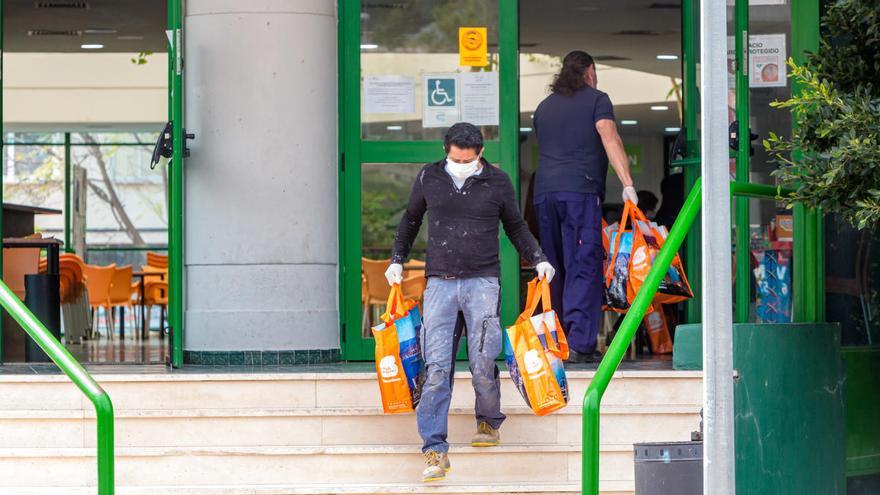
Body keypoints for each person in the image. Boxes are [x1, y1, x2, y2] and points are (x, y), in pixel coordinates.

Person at [385, 122, 555, 483]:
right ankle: (434, 449)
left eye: (467, 159)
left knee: (481, 361)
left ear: (480, 153)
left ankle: (488, 422)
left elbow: (515, 226)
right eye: (454, 158)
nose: (460, 164)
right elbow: (411, 219)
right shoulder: (429, 176)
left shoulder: (497, 181)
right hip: (440, 285)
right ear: (446, 150)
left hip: (482, 282)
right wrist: (396, 260)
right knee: (435, 369)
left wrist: (537, 257)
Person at [532, 50, 637, 363]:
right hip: (579, 191)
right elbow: (609, 136)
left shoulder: (543, 107)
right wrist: (628, 183)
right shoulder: (597, 99)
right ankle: (580, 344)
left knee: (553, 265)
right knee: (583, 263)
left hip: (544, 194)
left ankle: (555, 339)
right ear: (589, 71)